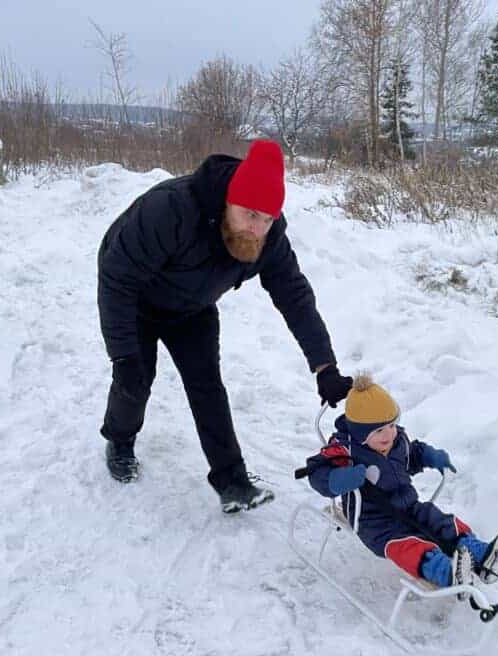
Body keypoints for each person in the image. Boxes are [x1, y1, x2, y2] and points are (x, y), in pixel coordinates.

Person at [97, 139, 353, 513]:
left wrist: (324, 366)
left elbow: (294, 297)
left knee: (207, 387)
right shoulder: (171, 208)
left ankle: (232, 481)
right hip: (137, 299)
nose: (256, 228)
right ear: (228, 200)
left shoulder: (269, 237)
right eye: (250, 214)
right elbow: (117, 276)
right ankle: (120, 440)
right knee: (134, 378)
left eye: (266, 219)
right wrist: (123, 353)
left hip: (192, 309)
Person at [303, 374, 498, 590]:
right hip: (374, 524)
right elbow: (316, 471)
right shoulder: (345, 450)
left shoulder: (398, 442)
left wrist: (430, 456)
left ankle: (481, 553)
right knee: (407, 546)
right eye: (378, 430)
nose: (388, 434)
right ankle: (447, 573)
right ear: (360, 434)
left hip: (409, 507)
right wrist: (339, 478)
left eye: (392, 425)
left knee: (438, 520)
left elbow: (412, 455)